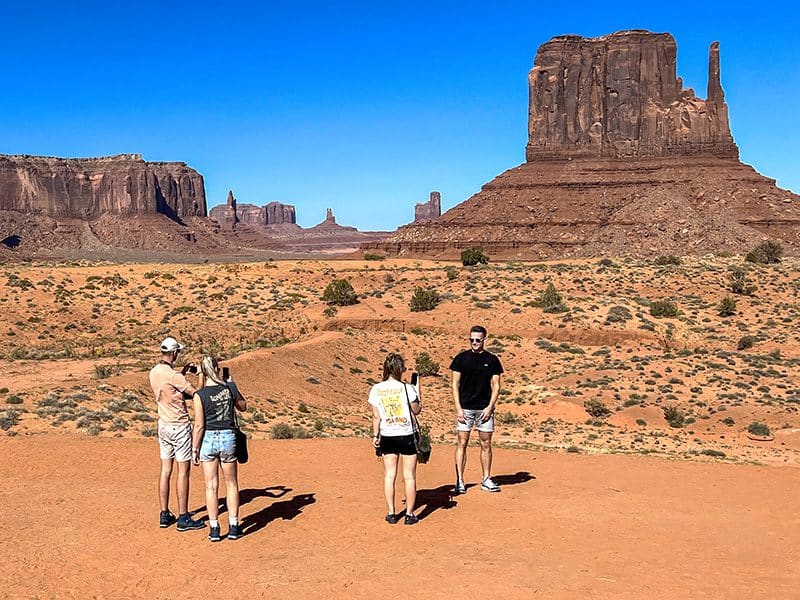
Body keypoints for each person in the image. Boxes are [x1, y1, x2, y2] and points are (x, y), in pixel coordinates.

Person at [149, 336, 205, 531]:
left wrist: (181, 373)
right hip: (179, 426)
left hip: (163, 424)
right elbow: (197, 394)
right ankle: (183, 516)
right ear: (174, 353)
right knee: (183, 472)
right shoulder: (174, 376)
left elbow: (170, 389)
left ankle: (164, 513)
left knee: (166, 470)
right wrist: (199, 375)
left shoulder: (155, 371)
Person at [191, 356, 247, 542]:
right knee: (231, 484)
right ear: (216, 368)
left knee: (211, 486)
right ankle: (233, 525)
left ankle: (214, 528)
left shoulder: (200, 395)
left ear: (202, 371)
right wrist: (233, 385)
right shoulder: (228, 388)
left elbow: (199, 425)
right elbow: (243, 407)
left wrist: (194, 449)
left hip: (208, 440)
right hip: (228, 437)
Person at [369, 353, 421, 525]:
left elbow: (376, 417)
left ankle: (391, 513)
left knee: (389, 475)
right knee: (409, 476)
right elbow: (417, 410)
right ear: (400, 369)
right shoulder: (407, 388)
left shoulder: (376, 389)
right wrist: (418, 392)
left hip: (387, 435)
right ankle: (409, 514)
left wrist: (375, 436)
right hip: (406, 434)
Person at [451, 325, 504, 494]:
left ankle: (486, 478)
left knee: (486, 443)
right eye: (471, 339)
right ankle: (459, 480)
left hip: (484, 409)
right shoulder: (461, 359)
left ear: (484, 340)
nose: (474, 343)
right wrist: (458, 408)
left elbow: (496, 385)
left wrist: (490, 407)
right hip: (465, 409)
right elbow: (454, 384)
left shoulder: (493, 360)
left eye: (478, 340)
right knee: (462, 443)